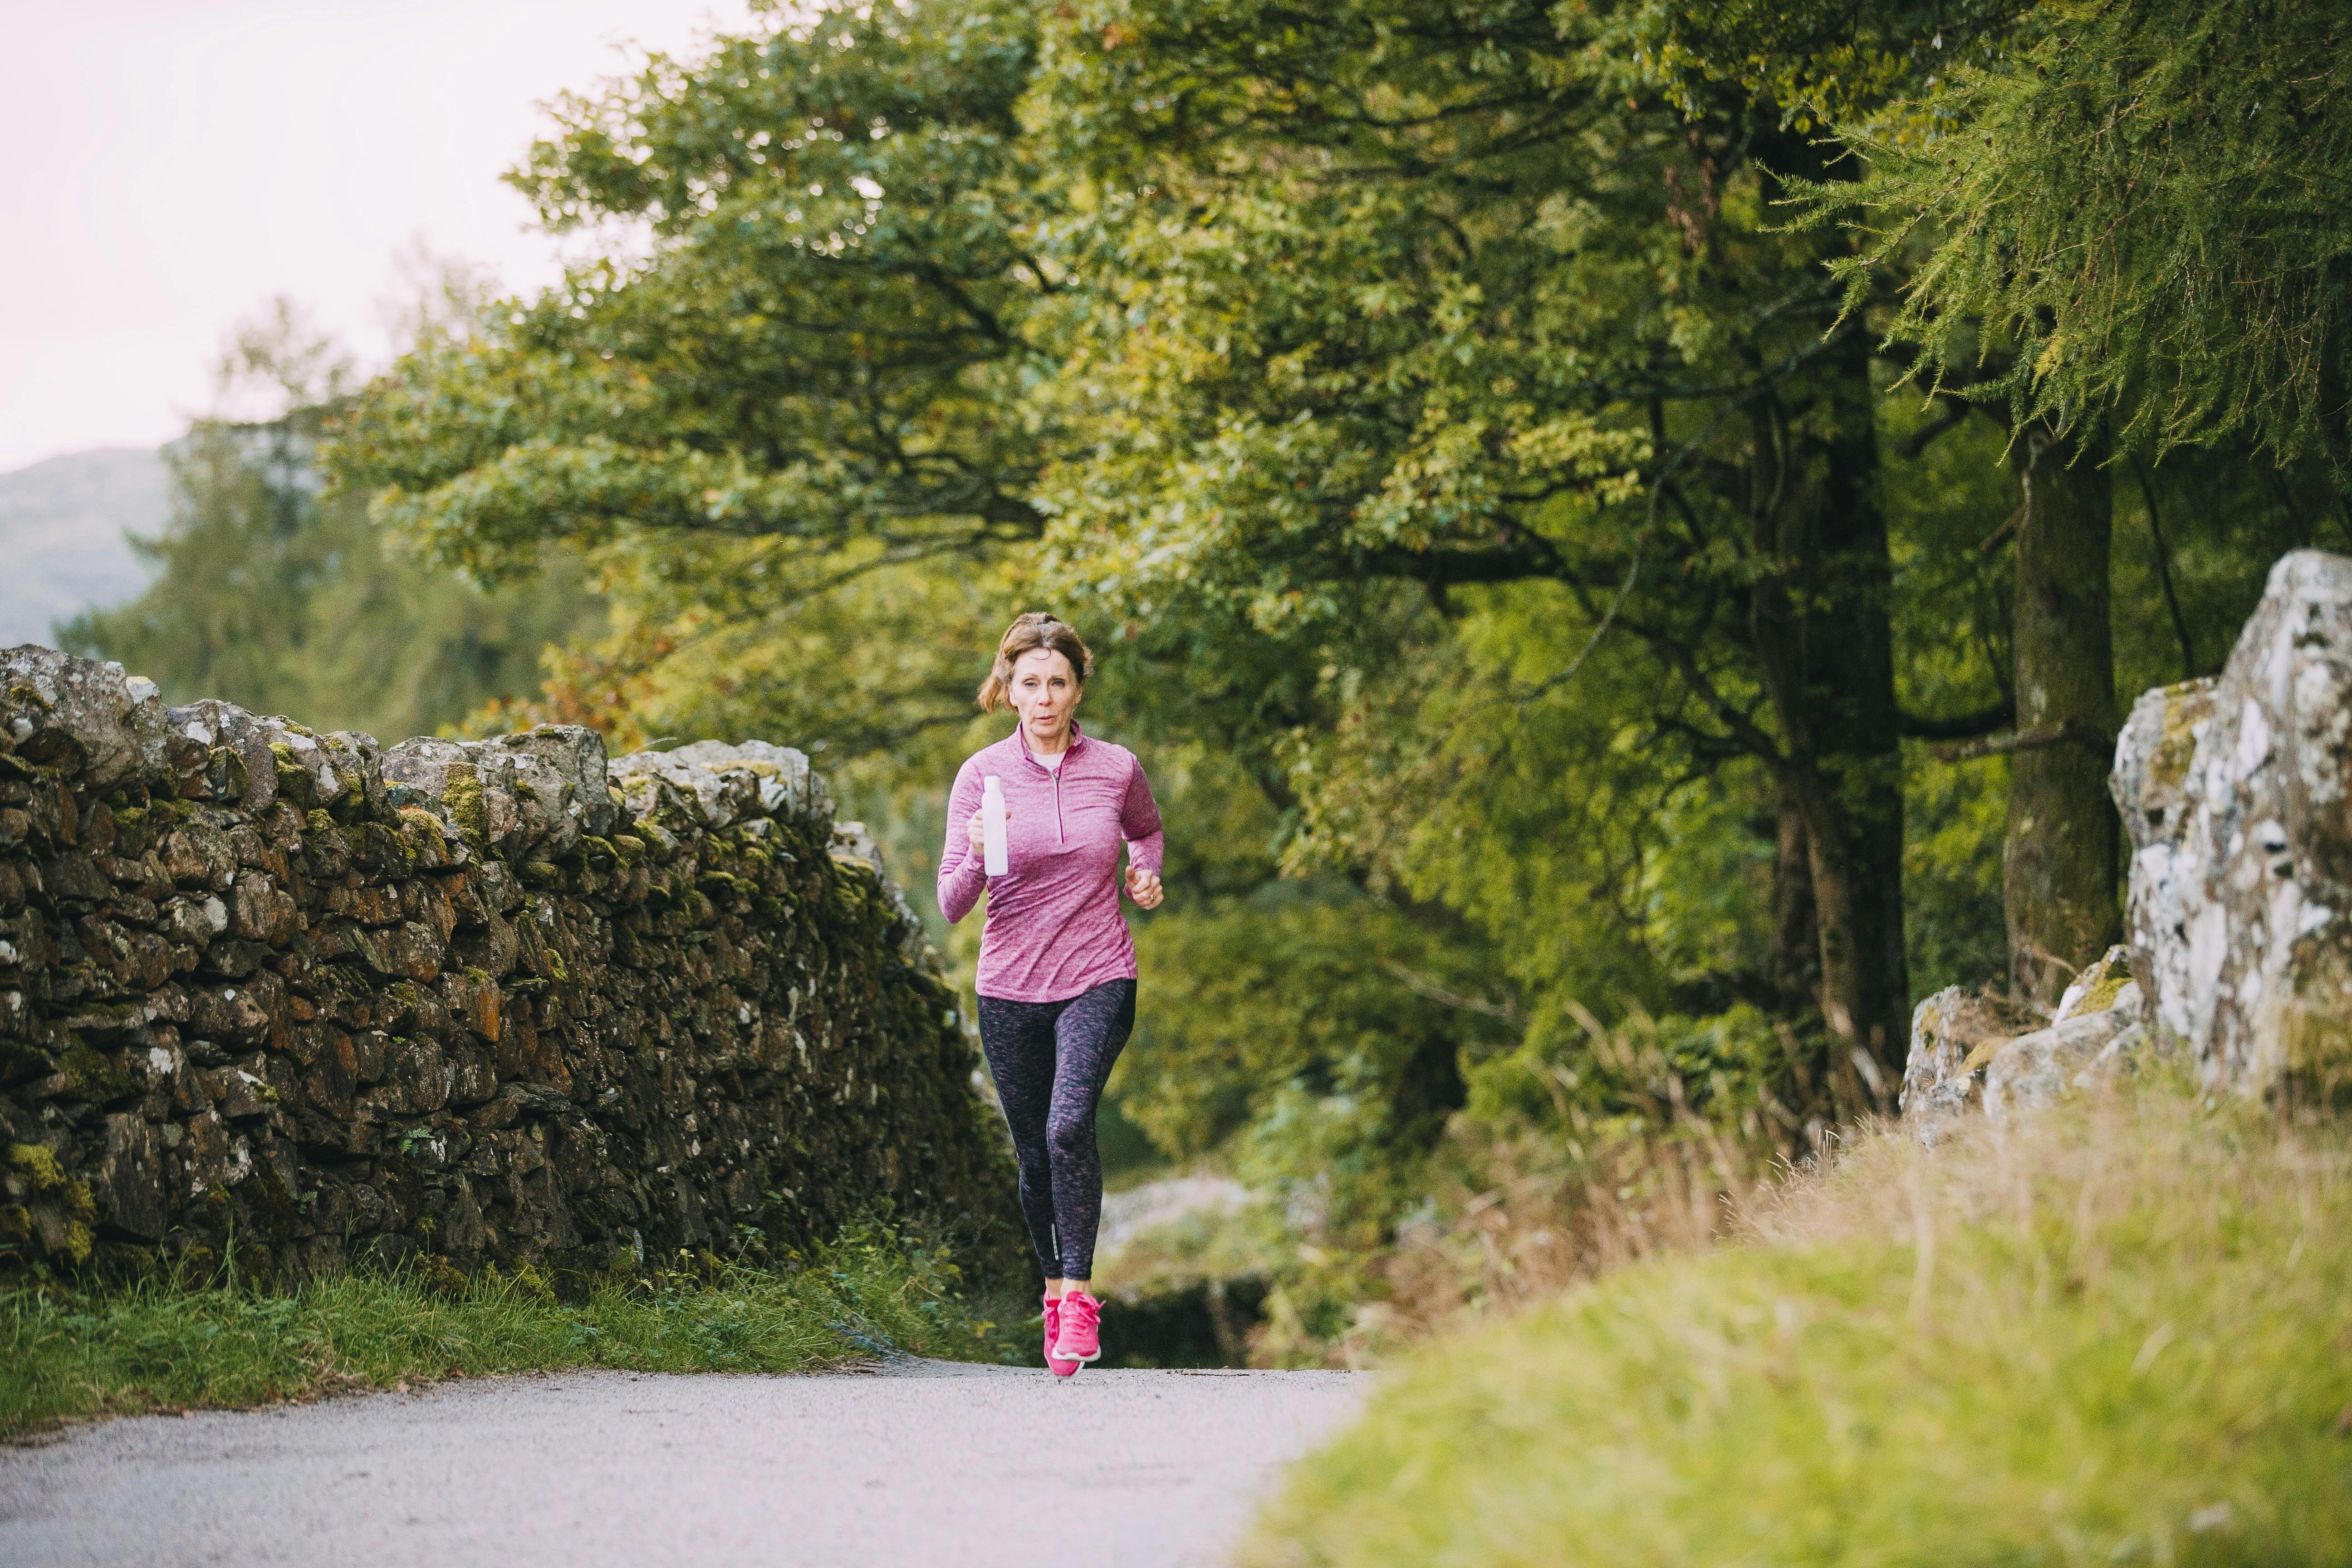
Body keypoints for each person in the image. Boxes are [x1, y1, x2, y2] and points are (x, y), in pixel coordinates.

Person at [937, 612, 1165, 1377]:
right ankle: (1053, 1292)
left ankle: (1081, 1300)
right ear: (1006, 688)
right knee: (1033, 1151)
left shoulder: (1117, 767)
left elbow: (1146, 831)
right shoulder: (981, 777)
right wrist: (972, 855)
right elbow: (951, 904)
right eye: (1028, 683)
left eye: (1057, 683)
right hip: (1008, 987)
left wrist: (1144, 872)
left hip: (1100, 974)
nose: (1043, 698)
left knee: (1070, 1126)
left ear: (1077, 688)